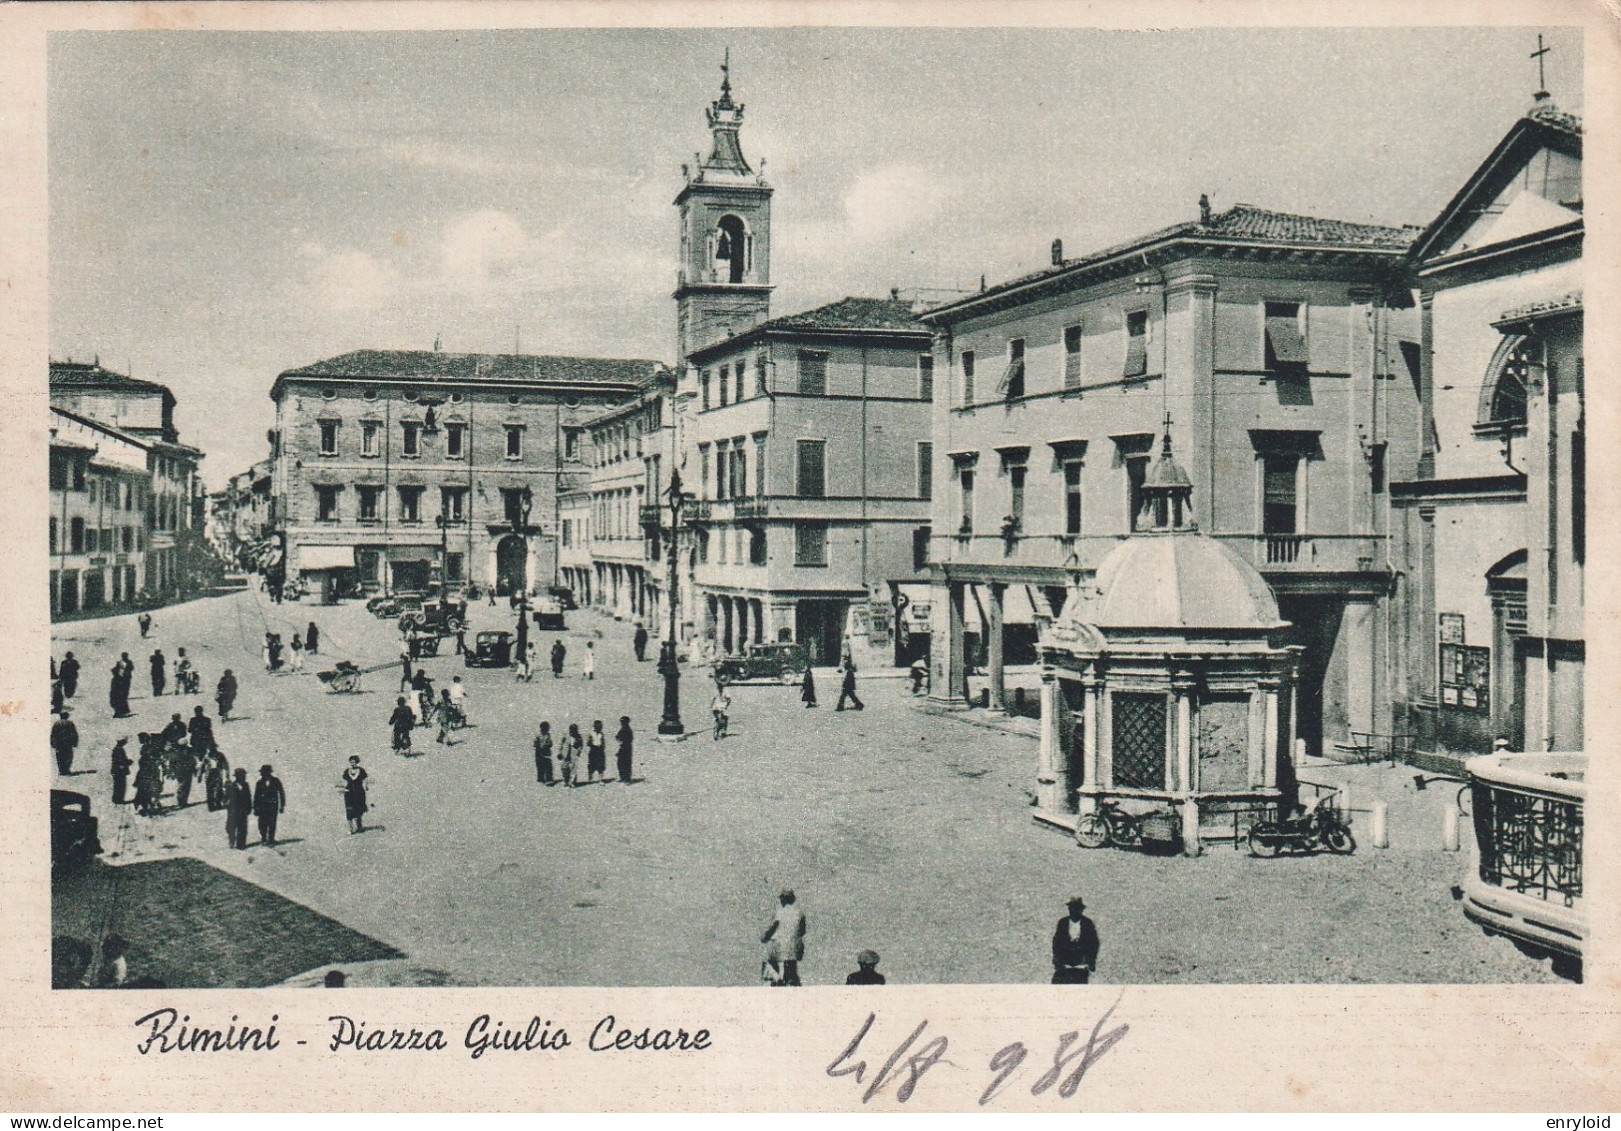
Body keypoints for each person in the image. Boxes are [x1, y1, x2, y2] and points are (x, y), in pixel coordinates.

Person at [760, 889, 806, 987]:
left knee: (770, 961)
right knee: (791, 968)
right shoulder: (799, 913)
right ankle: (791, 980)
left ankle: (775, 979)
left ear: (783, 899)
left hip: (779, 948)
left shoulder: (779, 913)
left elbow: (771, 929)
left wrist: (764, 938)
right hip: (794, 949)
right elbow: (802, 931)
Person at [1051, 896, 1100, 984]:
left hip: (1081, 966)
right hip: (1065, 966)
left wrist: (1091, 961)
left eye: (1076, 908)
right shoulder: (1063, 923)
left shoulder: (1087, 924)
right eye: (1071, 908)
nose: (1073, 911)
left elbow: (1094, 944)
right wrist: (1058, 961)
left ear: (1081, 910)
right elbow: (1056, 943)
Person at [254, 764, 286, 846]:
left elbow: (281, 793)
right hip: (262, 807)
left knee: (272, 823)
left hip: (273, 806)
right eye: (262, 772)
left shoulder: (276, 781)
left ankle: (271, 839)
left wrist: (282, 806)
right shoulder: (259, 783)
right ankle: (264, 838)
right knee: (262, 823)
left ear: (268, 772)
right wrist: (255, 808)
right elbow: (256, 796)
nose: (262, 774)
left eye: (263, 772)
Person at [134, 739, 164, 816]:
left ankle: (146, 806)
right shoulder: (152, 760)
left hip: (145, 777)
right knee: (150, 792)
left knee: (144, 792)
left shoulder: (143, 759)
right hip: (149, 777)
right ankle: (149, 806)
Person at [339, 755, 368, 834]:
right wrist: (344, 788)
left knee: (358, 810)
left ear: (357, 762)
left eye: (354, 762)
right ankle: (351, 829)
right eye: (351, 762)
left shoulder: (361, 770)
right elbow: (343, 780)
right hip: (349, 793)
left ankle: (359, 826)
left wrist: (365, 786)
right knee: (349, 810)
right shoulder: (347, 771)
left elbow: (365, 779)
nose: (352, 764)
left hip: (359, 793)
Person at [225, 768, 252, 848]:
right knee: (231, 827)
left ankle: (241, 844)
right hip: (233, 810)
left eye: (244, 776)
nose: (244, 777)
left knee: (243, 828)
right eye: (241, 776)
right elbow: (226, 798)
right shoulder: (231, 785)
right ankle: (232, 841)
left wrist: (249, 808)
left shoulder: (246, 785)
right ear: (237, 777)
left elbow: (248, 797)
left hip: (243, 810)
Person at [170, 738, 197, 808]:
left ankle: (184, 802)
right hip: (180, 771)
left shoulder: (190, 750)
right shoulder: (176, 751)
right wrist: (172, 771)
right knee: (181, 786)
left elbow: (193, 760)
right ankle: (181, 802)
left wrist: (194, 770)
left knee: (186, 786)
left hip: (188, 770)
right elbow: (172, 762)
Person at [51, 710, 79, 776]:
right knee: (68, 756)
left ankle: (61, 770)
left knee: (60, 757)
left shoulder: (57, 724)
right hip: (68, 743)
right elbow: (74, 733)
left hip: (59, 743)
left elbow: (53, 734)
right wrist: (75, 742)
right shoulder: (70, 723)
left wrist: (52, 743)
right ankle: (66, 769)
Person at [202, 746, 230, 811]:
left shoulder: (220, 755)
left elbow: (226, 764)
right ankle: (211, 806)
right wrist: (199, 776)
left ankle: (218, 803)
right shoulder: (206, 756)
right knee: (209, 791)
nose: (210, 750)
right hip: (209, 775)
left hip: (217, 773)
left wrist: (227, 774)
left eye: (212, 749)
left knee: (218, 789)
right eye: (209, 749)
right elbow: (202, 766)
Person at [110, 737, 133, 805]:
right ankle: (118, 800)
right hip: (119, 771)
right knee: (120, 785)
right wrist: (128, 762)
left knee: (119, 785)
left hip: (119, 771)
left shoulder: (118, 749)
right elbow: (119, 762)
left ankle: (118, 799)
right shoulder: (118, 750)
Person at [615, 716, 634, 784]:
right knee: (620, 763)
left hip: (627, 748)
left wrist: (621, 742)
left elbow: (630, 739)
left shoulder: (628, 730)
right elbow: (617, 736)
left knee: (626, 763)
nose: (621, 723)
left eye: (623, 722)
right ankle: (622, 777)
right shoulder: (622, 729)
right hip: (622, 747)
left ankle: (627, 779)